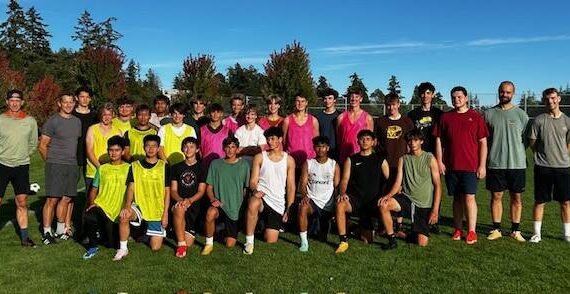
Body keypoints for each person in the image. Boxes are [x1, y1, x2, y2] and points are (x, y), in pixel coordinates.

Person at [433, 86, 488, 245]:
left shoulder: (476, 117)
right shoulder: (445, 117)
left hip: (470, 166)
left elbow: (483, 142)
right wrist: (440, 161)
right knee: (456, 199)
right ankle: (458, 228)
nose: (456, 100)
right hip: (451, 166)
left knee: (469, 198)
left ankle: (471, 231)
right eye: (453, 97)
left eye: (459, 97)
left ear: (466, 98)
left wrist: (482, 165)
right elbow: (438, 140)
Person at [379, 129, 442, 249]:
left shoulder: (430, 158)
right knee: (384, 205)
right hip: (407, 199)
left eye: (416, 140)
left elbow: (438, 186)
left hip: (423, 204)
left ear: (421, 141)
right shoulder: (403, 159)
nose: (412, 143)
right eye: (410, 141)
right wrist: (387, 196)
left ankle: (404, 234)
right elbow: (398, 182)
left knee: (422, 243)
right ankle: (392, 240)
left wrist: (435, 210)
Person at [484, 81, 529, 242]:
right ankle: (496, 228)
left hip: (517, 164)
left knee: (516, 197)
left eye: (508, 92)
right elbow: (485, 139)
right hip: (496, 163)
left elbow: (526, 140)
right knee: (496, 196)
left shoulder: (521, 115)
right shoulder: (489, 114)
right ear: (498, 92)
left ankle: (515, 230)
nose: (505, 95)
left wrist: (517, 152)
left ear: (513, 94)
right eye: (502, 92)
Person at [113, 134, 170, 260]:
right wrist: (127, 207)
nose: (151, 149)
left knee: (155, 247)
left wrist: (165, 213)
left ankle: (143, 232)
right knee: (124, 216)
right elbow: (131, 188)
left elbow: (167, 191)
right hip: (139, 207)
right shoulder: (135, 166)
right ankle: (123, 249)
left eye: (154, 146)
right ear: (144, 147)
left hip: (156, 210)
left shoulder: (164, 166)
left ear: (158, 148)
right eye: (148, 146)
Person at [335, 130, 389, 253]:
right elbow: (344, 180)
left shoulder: (380, 160)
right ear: (358, 141)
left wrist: (386, 196)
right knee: (340, 204)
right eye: (362, 139)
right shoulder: (351, 159)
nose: (365, 141)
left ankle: (356, 228)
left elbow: (389, 180)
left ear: (373, 142)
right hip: (355, 199)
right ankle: (343, 241)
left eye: (368, 139)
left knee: (367, 240)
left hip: (372, 202)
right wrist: (342, 193)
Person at [243, 127, 296, 254]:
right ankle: (249, 242)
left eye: (273, 139)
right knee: (254, 202)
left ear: (280, 139)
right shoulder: (260, 157)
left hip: (277, 203)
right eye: (268, 139)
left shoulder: (289, 160)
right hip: (262, 197)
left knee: (270, 240)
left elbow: (291, 186)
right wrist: (255, 191)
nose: (270, 142)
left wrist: (289, 208)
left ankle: (260, 226)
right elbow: (253, 181)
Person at [528, 88, 570, 243]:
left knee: (565, 201)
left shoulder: (567, 121)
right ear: (544, 100)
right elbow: (532, 142)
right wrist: (541, 155)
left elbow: (568, 143)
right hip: (543, 167)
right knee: (540, 201)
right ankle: (537, 234)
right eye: (547, 99)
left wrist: (562, 156)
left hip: (563, 167)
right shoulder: (539, 120)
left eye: (553, 98)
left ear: (559, 99)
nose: (550, 101)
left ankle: (567, 234)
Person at [39, 94, 82, 244]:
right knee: (52, 199)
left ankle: (60, 228)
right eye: (65, 102)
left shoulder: (77, 122)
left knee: (67, 197)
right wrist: (51, 162)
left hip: (72, 165)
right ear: (59, 103)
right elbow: (43, 145)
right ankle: (46, 231)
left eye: (71, 102)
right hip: (55, 164)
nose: (68, 105)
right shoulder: (53, 121)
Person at [0, 90, 38, 247]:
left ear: (22, 102)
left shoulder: (30, 121)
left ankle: (24, 238)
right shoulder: (1, 120)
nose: (14, 103)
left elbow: (33, 143)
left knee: (22, 202)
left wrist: (23, 155)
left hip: (22, 166)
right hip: (2, 164)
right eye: (11, 100)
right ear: (7, 102)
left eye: (17, 100)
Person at [82, 136, 130, 259]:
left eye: (117, 150)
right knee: (89, 215)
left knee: (112, 244)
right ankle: (92, 246)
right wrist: (92, 203)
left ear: (123, 151)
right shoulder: (102, 169)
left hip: (118, 209)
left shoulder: (129, 168)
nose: (113, 153)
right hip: (102, 205)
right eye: (111, 150)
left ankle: (109, 235)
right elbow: (94, 189)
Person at [201, 136, 250, 255]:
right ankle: (208, 243)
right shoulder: (215, 164)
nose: (230, 150)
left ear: (237, 149)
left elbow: (246, 189)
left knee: (230, 244)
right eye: (227, 147)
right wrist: (213, 199)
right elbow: (209, 187)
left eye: (233, 147)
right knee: (210, 212)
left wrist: (242, 207)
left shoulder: (244, 165)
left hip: (235, 207)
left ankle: (222, 230)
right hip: (219, 204)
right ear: (223, 148)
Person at [297, 136, 340, 252]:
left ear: (328, 148)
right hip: (312, 202)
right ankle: (304, 242)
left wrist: (336, 206)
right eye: (318, 147)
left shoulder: (334, 165)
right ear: (314, 148)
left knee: (322, 237)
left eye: (323, 147)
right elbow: (302, 184)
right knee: (302, 207)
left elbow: (337, 187)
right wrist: (304, 196)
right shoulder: (308, 163)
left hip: (327, 204)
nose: (320, 149)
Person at [170, 137, 207, 258]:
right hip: (179, 202)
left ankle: (179, 232)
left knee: (189, 243)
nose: (188, 149)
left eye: (191, 146)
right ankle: (180, 245)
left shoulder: (202, 168)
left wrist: (190, 200)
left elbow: (201, 191)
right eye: (186, 146)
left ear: (197, 149)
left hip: (193, 205)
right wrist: (181, 200)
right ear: (182, 149)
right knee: (180, 208)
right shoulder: (176, 168)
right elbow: (173, 190)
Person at [376, 92, 414, 187]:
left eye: (393, 105)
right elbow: (375, 141)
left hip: (402, 163)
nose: (391, 108)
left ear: (398, 104)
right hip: (385, 163)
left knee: (401, 190)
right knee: (385, 190)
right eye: (388, 105)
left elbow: (411, 142)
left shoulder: (407, 121)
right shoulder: (380, 121)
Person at [85, 103, 122, 191]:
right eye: (104, 114)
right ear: (100, 115)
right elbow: (89, 151)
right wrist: (99, 167)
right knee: (91, 201)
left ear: (113, 115)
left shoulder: (118, 132)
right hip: (93, 172)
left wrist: (107, 168)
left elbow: (120, 153)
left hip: (111, 173)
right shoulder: (92, 129)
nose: (107, 117)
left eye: (109, 114)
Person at [283, 93, 319, 171]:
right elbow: (284, 140)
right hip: (291, 161)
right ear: (294, 102)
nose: (300, 103)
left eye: (303, 101)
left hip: (309, 161)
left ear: (306, 103)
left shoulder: (313, 120)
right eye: (298, 101)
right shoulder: (287, 120)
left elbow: (317, 142)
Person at [336, 89, 374, 164]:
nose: (354, 99)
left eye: (357, 97)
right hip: (344, 157)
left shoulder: (367, 118)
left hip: (362, 157)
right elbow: (339, 139)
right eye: (351, 96)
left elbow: (370, 141)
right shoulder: (340, 117)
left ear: (361, 99)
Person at [72, 86, 98, 188]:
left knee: (91, 186)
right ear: (77, 98)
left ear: (90, 99)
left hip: (90, 155)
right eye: (82, 96)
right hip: (74, 155)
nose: (85, 99)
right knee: (71, 186)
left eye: (87, 97)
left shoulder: (95, 116)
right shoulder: (71, 114)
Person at [407, 82, 443, 153]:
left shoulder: (439, 114)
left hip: (435, 153)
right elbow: (410, 136)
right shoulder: (412, 114)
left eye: (428, 93)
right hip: (418, 154)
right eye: (423, 93)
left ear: (432, 95)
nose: (425, 96)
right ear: (419, 95)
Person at [200, 103, 232, 169]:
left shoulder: (228, 131)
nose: (215, 114)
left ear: (221, 114)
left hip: (223, 166)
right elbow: (198, 149)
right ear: (209, 113)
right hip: (206, 166)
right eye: (213, 112)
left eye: (218, 112)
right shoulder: (202, 130)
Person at [314, 88, 341, 160]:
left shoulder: (341, 116)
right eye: (325, 99)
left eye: (330, 98)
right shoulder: (317, 117)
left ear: (334, 100)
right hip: (322, 152)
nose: (327, 101)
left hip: (337, 151)